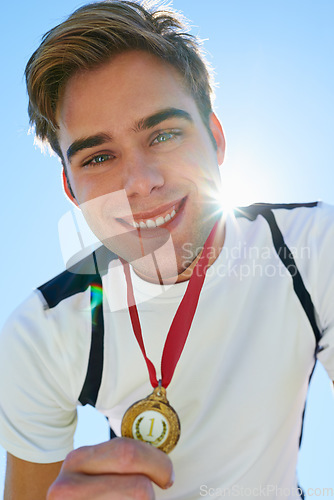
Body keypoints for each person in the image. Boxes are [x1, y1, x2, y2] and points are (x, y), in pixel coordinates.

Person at [0, 1, 333, 498]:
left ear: (215, 140)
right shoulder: (44, 332)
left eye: (164, 134)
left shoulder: (310, 248)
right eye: (99, 157)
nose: (141, 182)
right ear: (73, 191)